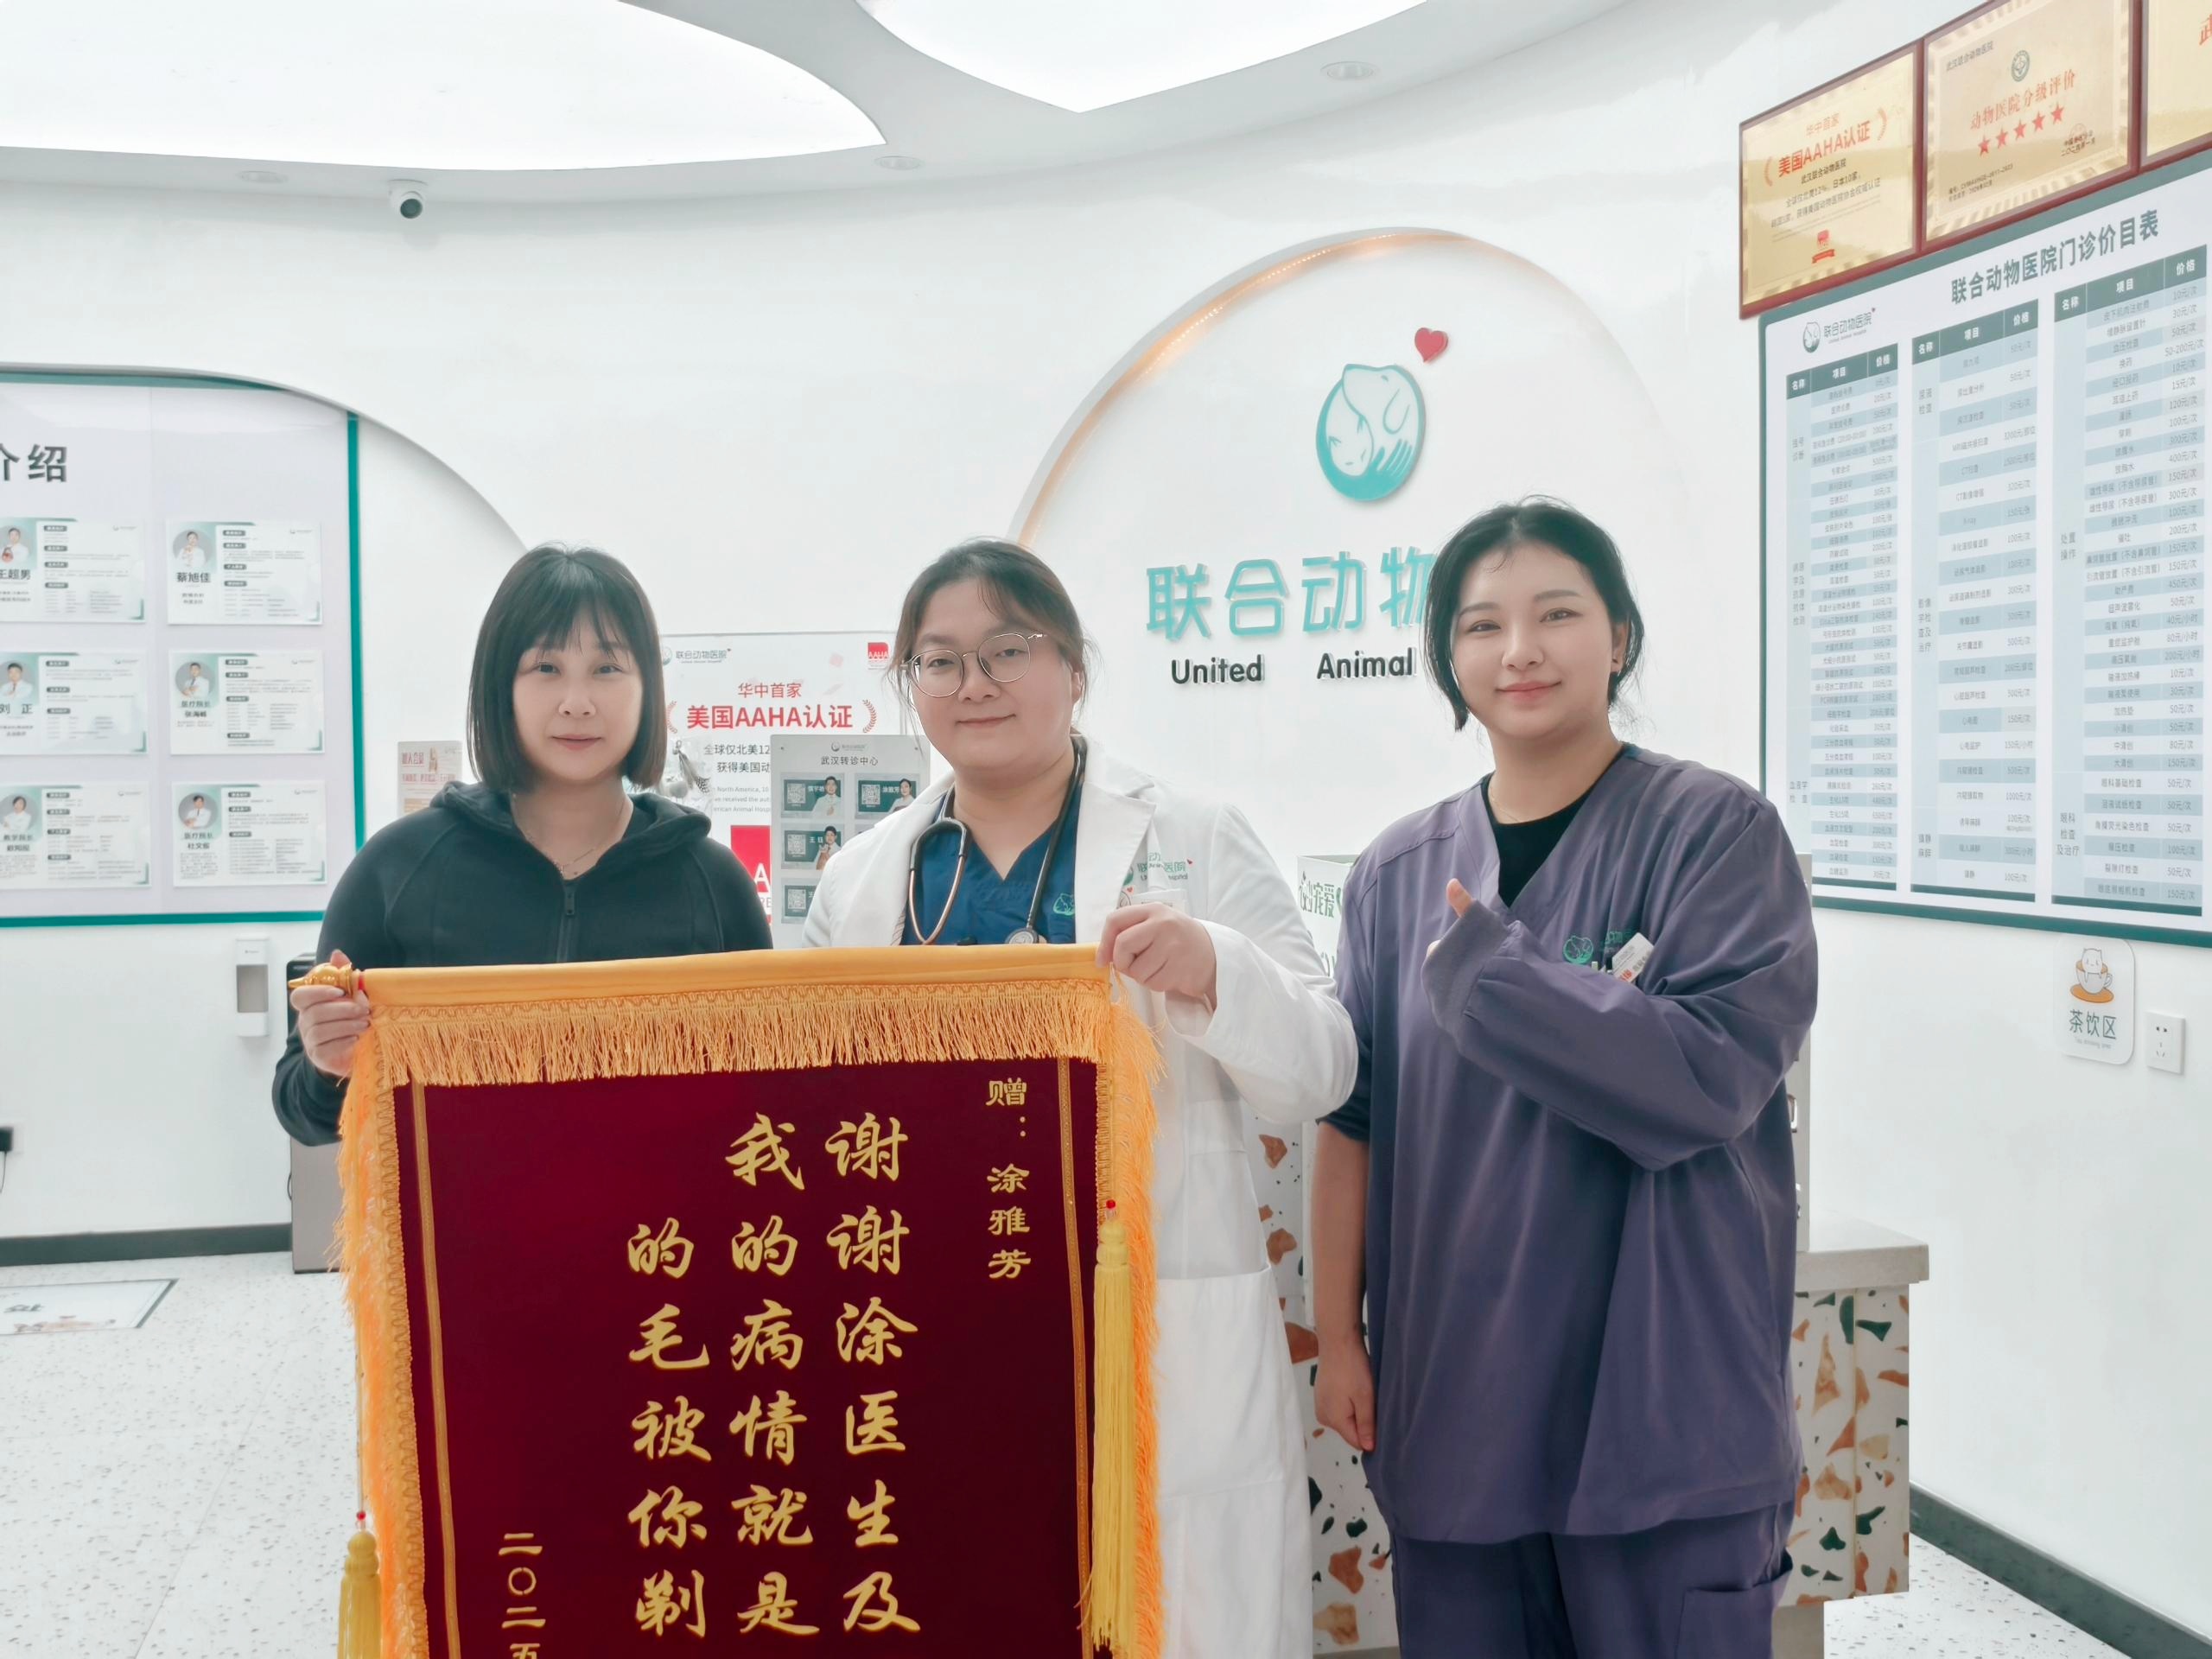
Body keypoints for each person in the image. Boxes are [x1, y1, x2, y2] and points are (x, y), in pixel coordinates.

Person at [804, 538, 1355, 1658]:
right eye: (940, 660)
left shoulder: (1193, 836)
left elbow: (1323, 1068)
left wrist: (1216, 972)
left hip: (1147, 1313)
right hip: (941, 1316)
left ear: (1075, 667)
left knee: (1165, 1605)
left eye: (1009, 649)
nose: (976, 683)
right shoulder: (864, 879)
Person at [1308, 499, 1817, 1659]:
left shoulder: (1716, 835)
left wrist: (1500, 983)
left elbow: (1711, 1077)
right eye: (1481, 625)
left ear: (1618, 637)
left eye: (1556, 615)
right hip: (1459, 1395)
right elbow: (1355, 1122)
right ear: (1449, 658)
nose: (1519, 651)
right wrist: (1339, 1336)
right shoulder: (1396, 873)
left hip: (1665, 1399)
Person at [275, 543, 772, 1147]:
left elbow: (767, 1101)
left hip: (656, 1210)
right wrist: (328, 1064)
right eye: (546, 668)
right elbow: (303, 1113)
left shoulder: (714, 883)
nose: (577, 702)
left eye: (607, 669)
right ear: (500, 687)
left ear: (648, 690)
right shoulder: (399, 868)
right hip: (459, 1210)